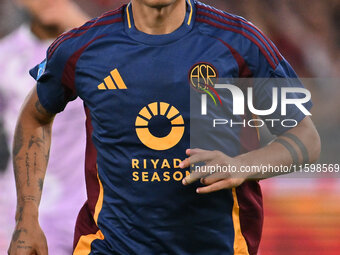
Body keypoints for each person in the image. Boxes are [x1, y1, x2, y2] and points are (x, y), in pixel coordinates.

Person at [8, 0, 320, 254]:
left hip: (218, 245)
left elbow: (305, 136)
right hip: (109, 246)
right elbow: (34, 117)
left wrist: (241, 165)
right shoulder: (84, 47)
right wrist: (26, 219)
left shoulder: (240, 43)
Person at [0, 0, 89, 254]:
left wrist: (83, 26)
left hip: (87, 207)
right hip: (20, 213)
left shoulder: (96, 50)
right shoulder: (5, 57)